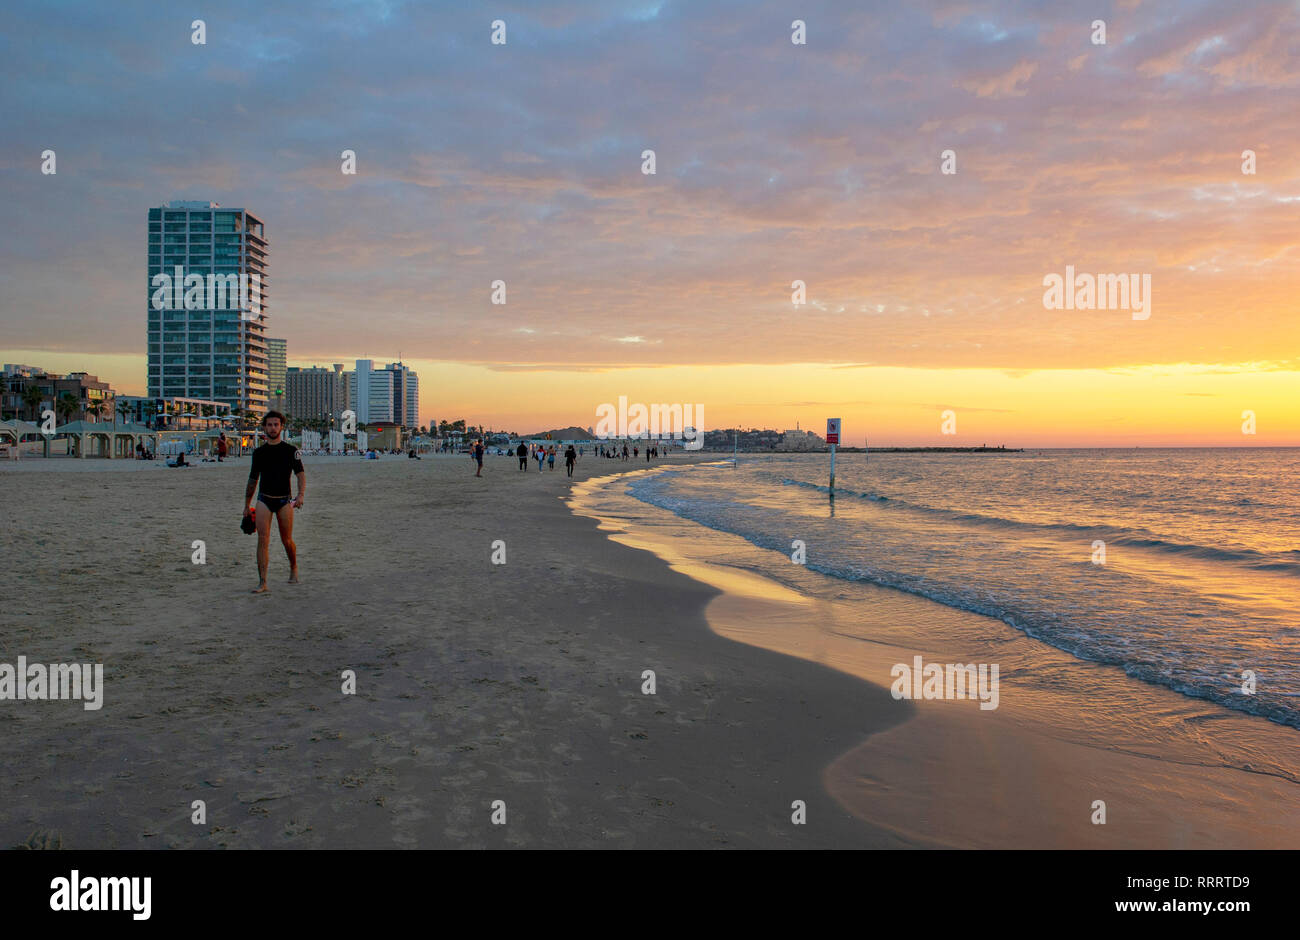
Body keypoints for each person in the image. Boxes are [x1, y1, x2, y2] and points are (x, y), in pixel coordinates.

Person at [242, 410, 305, 594]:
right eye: (269, 425)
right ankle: (262, 582)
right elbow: (252, 480)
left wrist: (300, 495)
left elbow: (300, 475)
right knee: (263, 540)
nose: (273, 428)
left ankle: (293, 567)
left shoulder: (291, 451)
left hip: (285, 501)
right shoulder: (259, 453)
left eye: (276, 424)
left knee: (287, 540)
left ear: (281, 427)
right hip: (264, 500)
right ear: (264, 427)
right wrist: (247, 505)